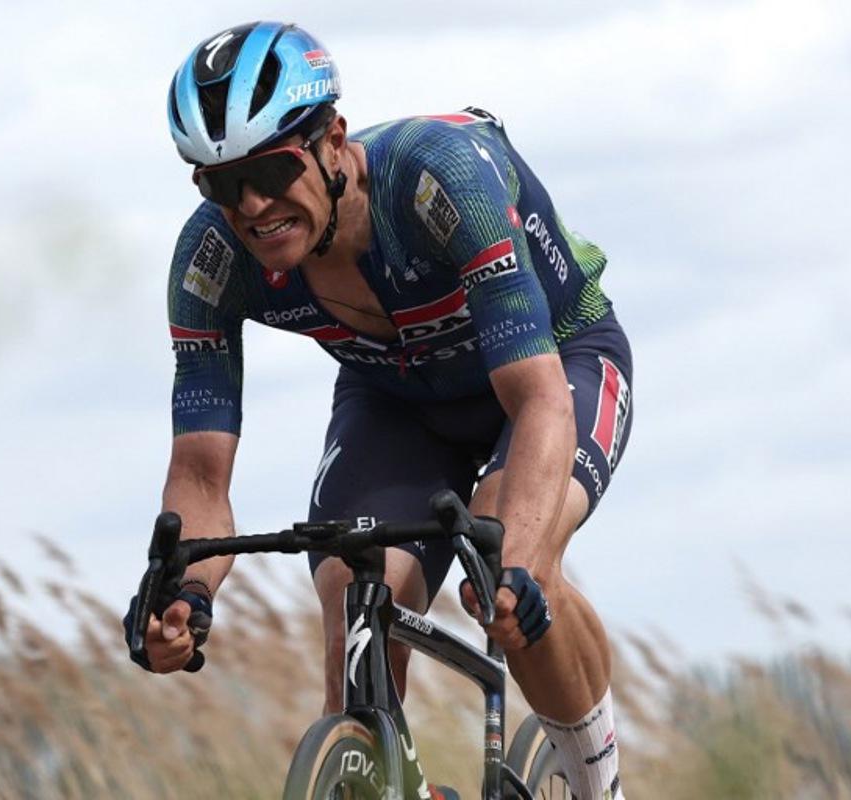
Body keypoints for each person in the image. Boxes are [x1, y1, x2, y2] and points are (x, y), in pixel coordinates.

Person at [126, 21, 633, 800]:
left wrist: (522, 562)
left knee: (506, 570)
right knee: (354, 595)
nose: (253, 205)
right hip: (396, 397)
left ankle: (599, 785)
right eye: (221, 184)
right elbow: (198, 473)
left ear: (332, 142)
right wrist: (187, 592)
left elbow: (535, 402)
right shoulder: (212, 261)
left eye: (271, 170)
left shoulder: (439, 180)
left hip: (556, 365)